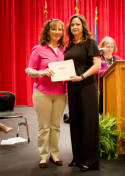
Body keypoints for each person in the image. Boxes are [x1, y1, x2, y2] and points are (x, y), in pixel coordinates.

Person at [26, 19, 66, 168]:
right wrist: (42, 72)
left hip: (60, 93)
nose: (57, 32)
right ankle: (43, 156)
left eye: (60, 30)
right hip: (42, 93)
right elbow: (30, 71)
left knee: (55, 126)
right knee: (44, 127)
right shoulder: (38, 49)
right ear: (47, 31)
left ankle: (54, 155)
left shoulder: (64, 50)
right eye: (54, 29)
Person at [64, 14, 101, 172]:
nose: (75, 27)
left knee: (88, 121)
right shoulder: (70, 44)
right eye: (72, 25)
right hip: (72, 86)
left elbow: (97, 65)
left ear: (83, 25)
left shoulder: (90, 42)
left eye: (78, 24)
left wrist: (82, 76)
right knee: (76, 121)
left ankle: (90, 161)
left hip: (86, 85)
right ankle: (77, 157)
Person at [95, 37, 122, 114]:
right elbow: (95, 72)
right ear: (103, 47)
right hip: (101, 88)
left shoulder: (118, 59)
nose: (110, 49)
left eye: (112, 47)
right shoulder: (98, 58)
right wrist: (109, 70)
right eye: (107, 47)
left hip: (115, 88)